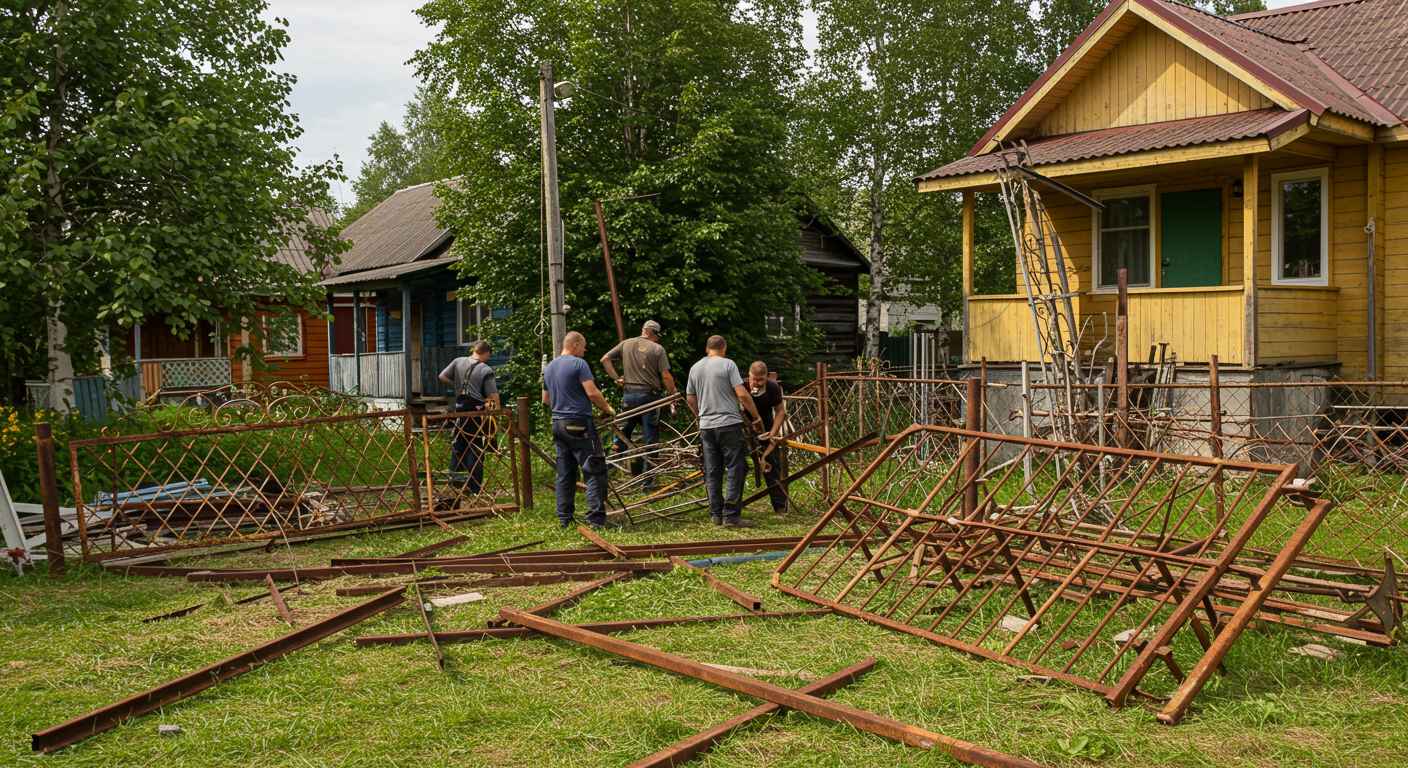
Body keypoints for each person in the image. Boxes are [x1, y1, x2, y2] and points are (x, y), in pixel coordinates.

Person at [686, 335, 764, 527]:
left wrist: (700, 416)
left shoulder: (695, 368)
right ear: (724, 348)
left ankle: (715, 514)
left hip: (707, 426)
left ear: (707, 349)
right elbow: (742, 394)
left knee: (713, 470)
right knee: (736, 467)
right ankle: (731, 515)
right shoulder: (728, 365)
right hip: (728, 424)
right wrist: (757, 417)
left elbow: (690, 398)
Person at [542, 331, 617, 528]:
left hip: (558, 423)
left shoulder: (549, 367)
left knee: (565, 473)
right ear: (575, 345)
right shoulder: (579, 364)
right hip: (579, 424)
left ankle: (564, 519)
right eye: (583, 346)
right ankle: (596, 520)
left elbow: (545, 400)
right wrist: (608, 409)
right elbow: (592, 393)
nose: (585, 350)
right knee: (593, 469)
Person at [601, 320, 677, 480]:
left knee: (622, 435)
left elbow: (605, 359)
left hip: (629, 396)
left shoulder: (626, 343)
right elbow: (665, 375)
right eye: (658, 336)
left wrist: (617, 378)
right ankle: (648, 483)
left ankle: (604, 477)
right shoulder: (657, 349)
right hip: (649, 398)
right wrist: (673, 394)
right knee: (651, 439)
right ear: (653, 333)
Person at [438, 340, 500, 494]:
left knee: (458, 446)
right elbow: (493, 395)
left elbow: (442, 376)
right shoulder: (486, 370)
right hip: (476, 412)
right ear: (486, 353)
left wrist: (457, 386)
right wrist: (497, 411)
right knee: (475, 447)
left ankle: (456, 484)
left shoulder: (457, 361)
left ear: (474, 350)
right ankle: (474, 488)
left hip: (460, 409)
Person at [747, 360, 788, 514]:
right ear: (749, 376)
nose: (757, 382)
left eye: (760, 379)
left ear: (766, 377)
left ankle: (779, 507)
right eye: (754, 379)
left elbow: (780, 411)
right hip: (745, 427)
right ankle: (734, 508)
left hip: (767, 426)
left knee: (772, 465)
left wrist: (773, 432)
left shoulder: (773, 388)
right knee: (738, 465)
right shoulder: (742, 387)